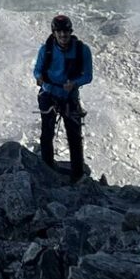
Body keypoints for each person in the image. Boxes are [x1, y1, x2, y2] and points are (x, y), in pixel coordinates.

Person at [34, 13, 92, 182]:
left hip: (68, 95)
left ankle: (77, 174)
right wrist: (40, 78)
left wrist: (74, 83)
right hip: (49, 93)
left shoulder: (82, 50)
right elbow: (37, 70)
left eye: (65, 32)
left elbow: (88, 76)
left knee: (74, 136)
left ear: (71, 32)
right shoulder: (46, 49)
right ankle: (47, 167)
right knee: (47, 133)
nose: (62, 35)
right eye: (59, 32)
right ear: (54, 33)